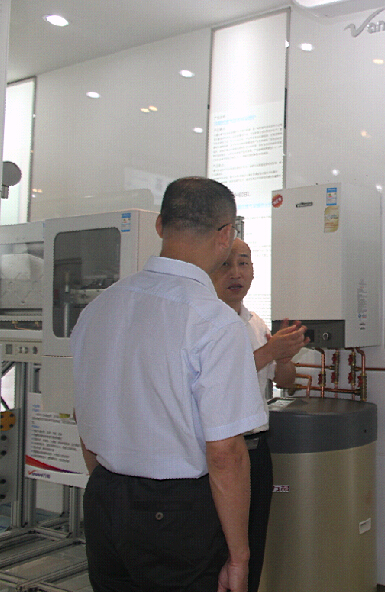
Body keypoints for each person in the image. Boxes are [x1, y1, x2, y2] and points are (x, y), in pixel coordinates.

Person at [72, 177, 268, 592]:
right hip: (175, 513)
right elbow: (225, 454)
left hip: (103, 498)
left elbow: (82, 416)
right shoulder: (213, 321)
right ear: (225, 234)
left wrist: (114, 489)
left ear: (160, 225)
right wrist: (239, 556)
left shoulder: (99, 307)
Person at [211, 237, 309, 592]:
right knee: (216, 551)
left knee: (252, 545)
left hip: (256, 451)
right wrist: (270, 351)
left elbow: (285, 381)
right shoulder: (205, 322)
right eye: (226, 264)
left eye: (244, 263)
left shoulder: (254, 322)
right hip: (216, 453)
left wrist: (283, 358)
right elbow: (219, 379)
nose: (236, 273)